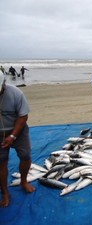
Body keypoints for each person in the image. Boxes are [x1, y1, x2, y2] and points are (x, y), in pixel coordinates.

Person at [0, 73, 35, 207]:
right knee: (1, 162)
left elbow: (23, 117)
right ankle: (5, 192)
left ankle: (24, 181)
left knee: (25, 156)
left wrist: (13, 135)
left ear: (3, 83)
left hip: (18, 131)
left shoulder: (16, 93)